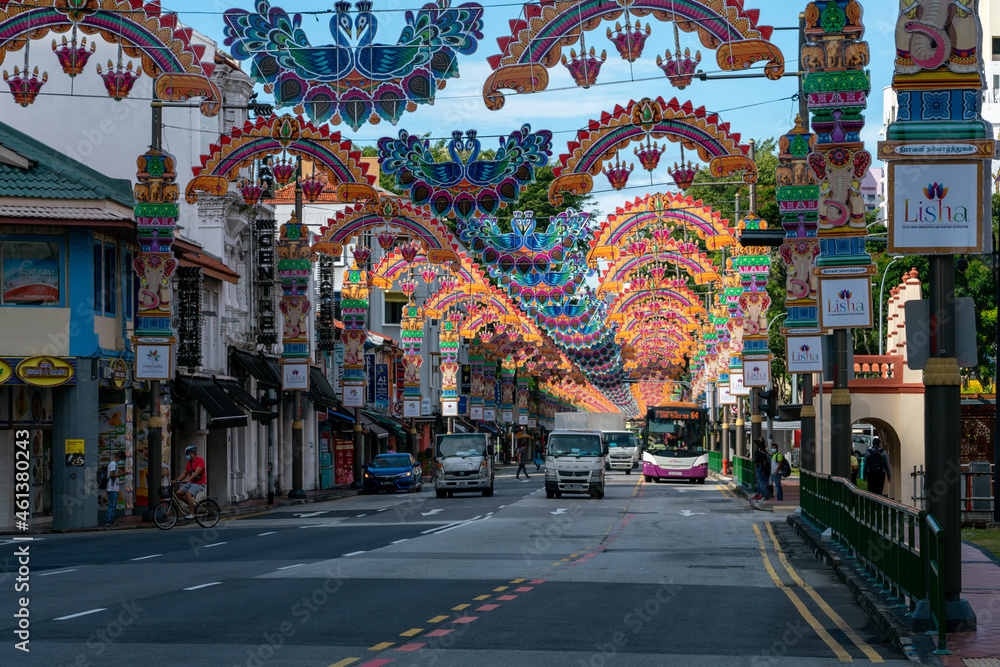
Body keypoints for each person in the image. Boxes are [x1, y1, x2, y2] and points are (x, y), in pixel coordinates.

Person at [173, 445, 206, 519]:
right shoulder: (189, 462)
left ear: (193, 453)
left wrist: (188, 479)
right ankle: (192, 506)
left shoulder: (200, 460)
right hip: (191, 482)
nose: (187, 455)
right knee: (178, 493)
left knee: (188, 494)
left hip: (200, 483)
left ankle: (192, 513)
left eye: (188, 453)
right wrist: (176, 480)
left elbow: (197, 472)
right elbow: (185, 473)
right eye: (186, 454)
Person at [105, 451, 125, 528]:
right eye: (121, 459)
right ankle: (108, 521)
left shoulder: (113, 464)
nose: (121, 461)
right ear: (118, 458)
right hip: (112, 488)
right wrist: (122, 474)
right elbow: (112, 475)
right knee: (111, 506)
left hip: (113, 487)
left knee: (113, 506)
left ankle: (111, 521)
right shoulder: (113, 464)